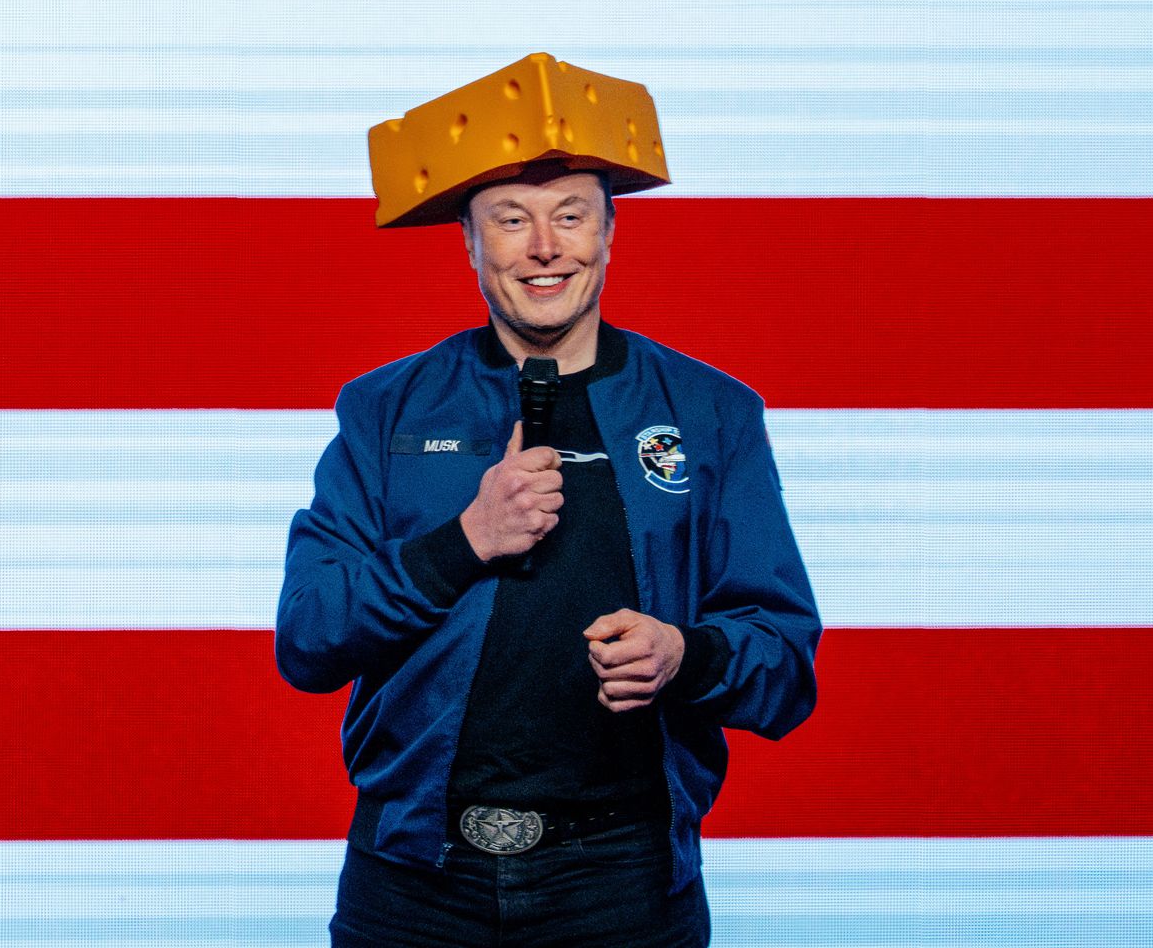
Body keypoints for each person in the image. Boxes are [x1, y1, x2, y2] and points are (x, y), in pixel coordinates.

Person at [277, 54, 821, 946]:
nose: (544, 247)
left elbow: (785, 668)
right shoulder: (384, 409)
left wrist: (684, 654)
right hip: (414, 883)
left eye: (571, 215)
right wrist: (465, 539)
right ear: (469, 240)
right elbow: (307, 638)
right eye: (511, 219)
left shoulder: (711, 412)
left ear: (610, 231)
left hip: (622, 882)